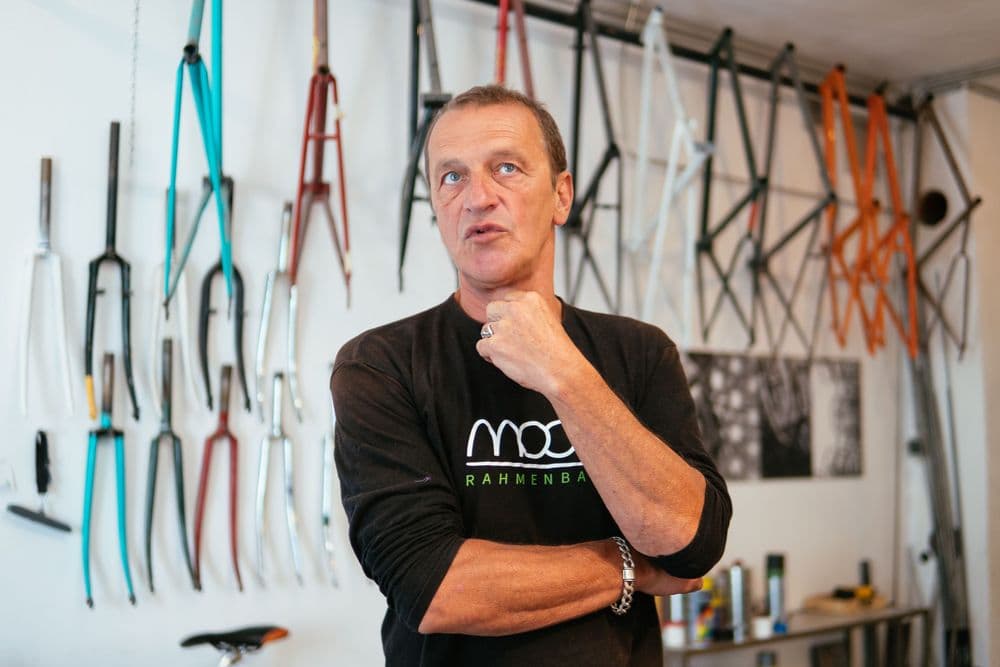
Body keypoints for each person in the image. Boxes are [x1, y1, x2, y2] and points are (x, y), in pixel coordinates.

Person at [331, 84, 731, 666]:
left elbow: (691, 543)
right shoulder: (380, 365)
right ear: (437, 206)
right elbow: (434, 588)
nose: (478, 198)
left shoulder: (640, 353)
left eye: (507, 168)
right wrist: (629, 566)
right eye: (451, 177)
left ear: (561, 196)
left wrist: (562, 371)